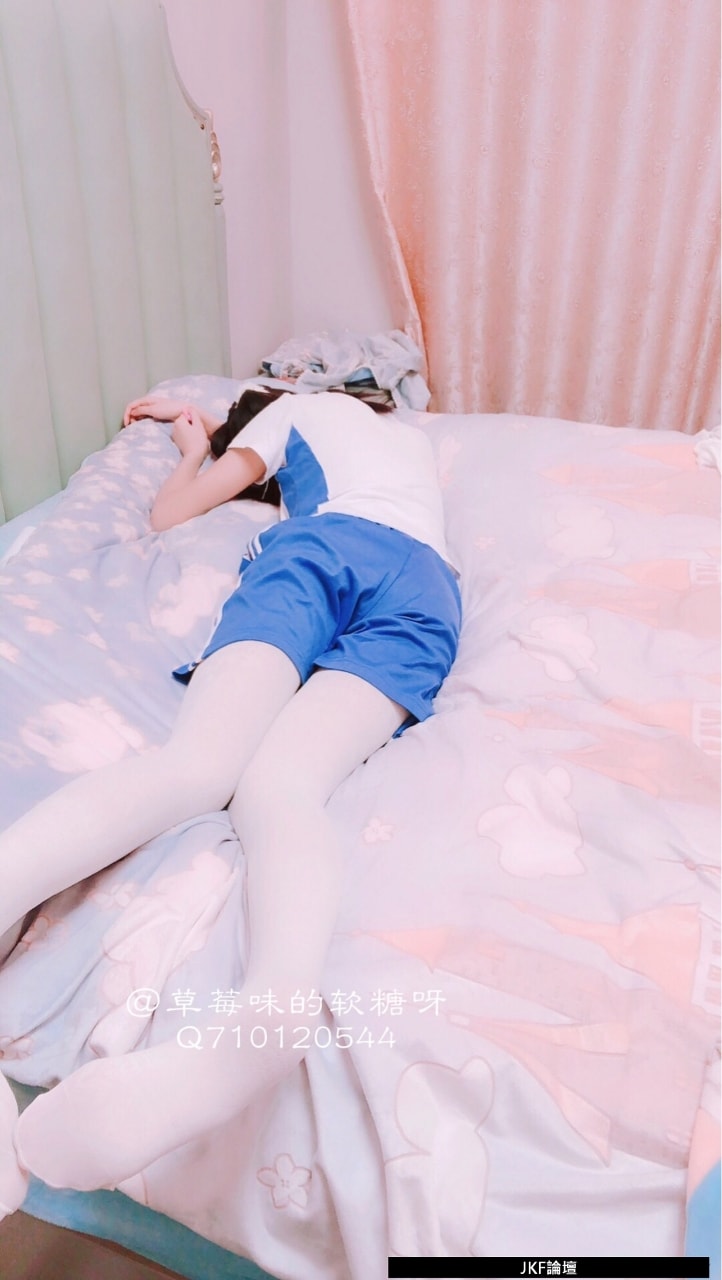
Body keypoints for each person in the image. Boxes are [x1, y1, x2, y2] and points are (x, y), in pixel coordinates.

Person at [0, 384, 461, 1212]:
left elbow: (173, 513)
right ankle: (274, 1009)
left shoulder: (299, 409)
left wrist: (194, 450)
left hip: (325, 551)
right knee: (285, 790)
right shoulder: (411, 444)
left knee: (200, 763)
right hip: (428, 591)